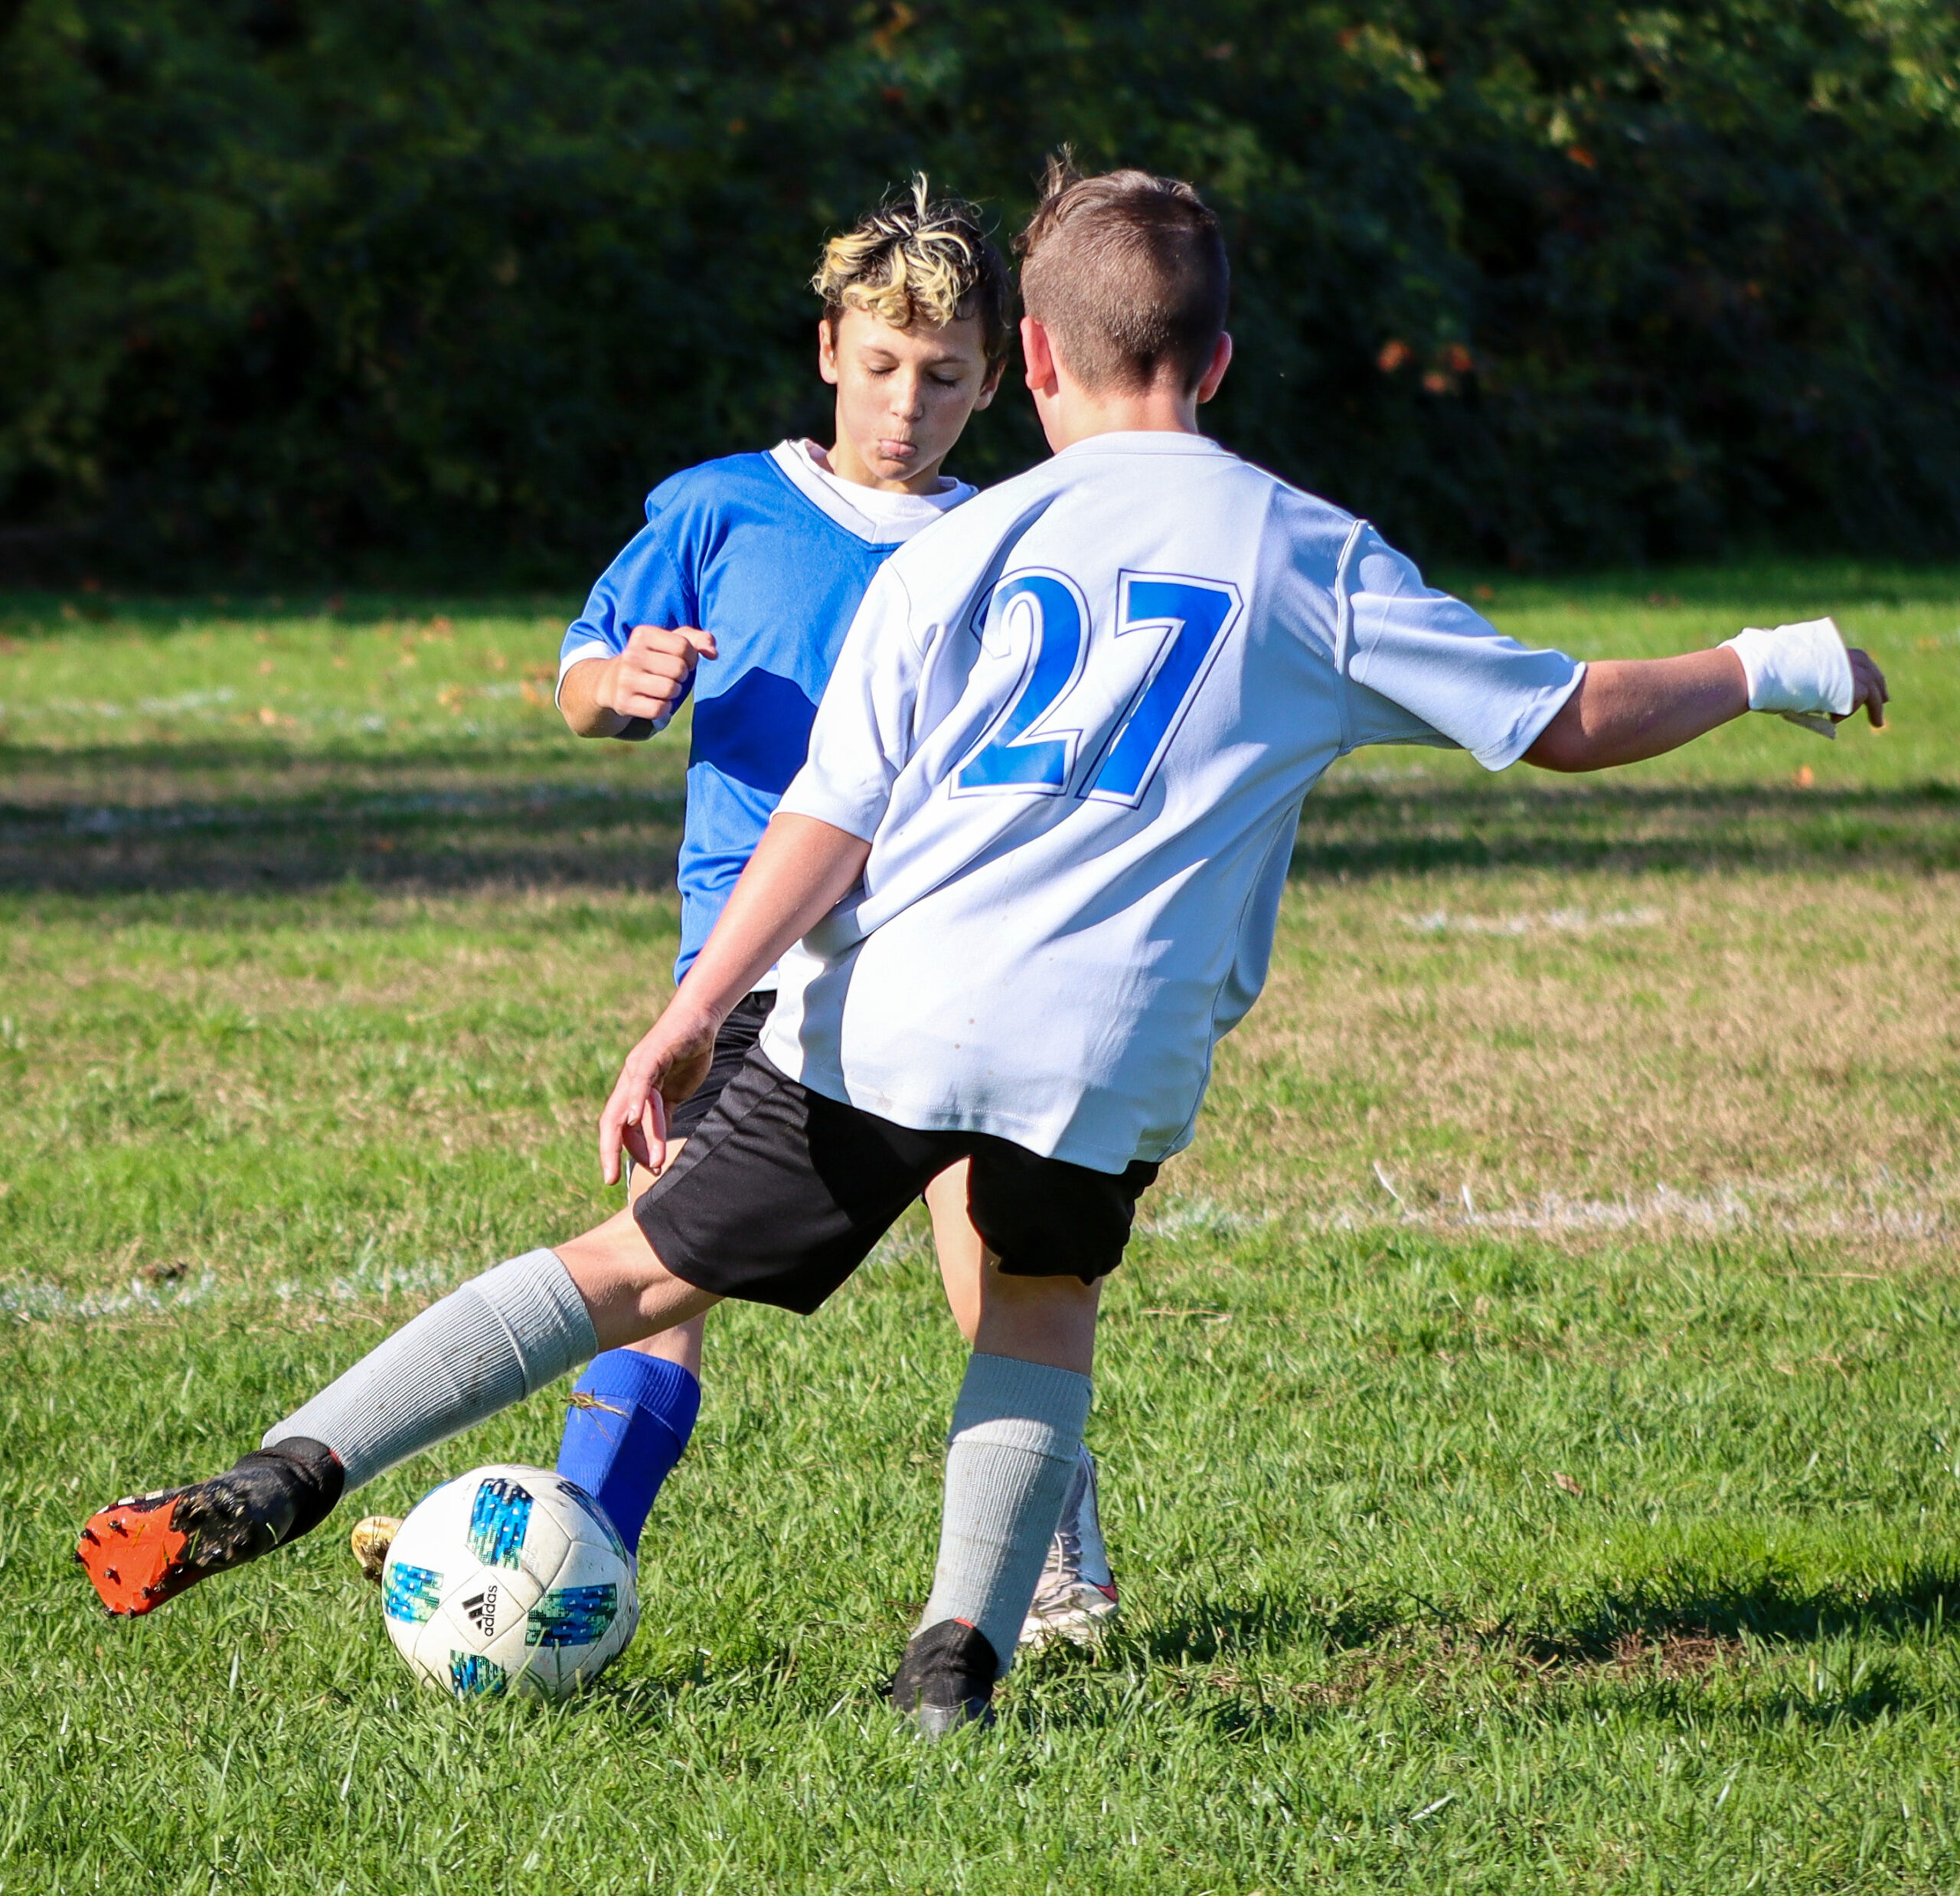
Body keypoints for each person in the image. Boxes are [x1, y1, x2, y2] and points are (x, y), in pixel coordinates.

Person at [77, 162, 1888, 1741]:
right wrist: (1771, 662)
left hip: (891, 1012)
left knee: (631, 1268)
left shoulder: (957, 548)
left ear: (1026, 358)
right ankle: (953, 1661)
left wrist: (689, 1011)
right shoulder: (1308, 552)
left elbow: (830, 819)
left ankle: (286, 1470)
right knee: (1033, 1302)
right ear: (1219, 362)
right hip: (1109, 1049)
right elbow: (1566, 718)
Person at [345, 179, 1124, 1648]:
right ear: (828, 349)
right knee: (659, 1269)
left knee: (994, 1263)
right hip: (750, 963)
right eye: (880, 365)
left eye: (944, 375)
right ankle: (567, 1563)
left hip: (946, 960)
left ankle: (1058, 1566)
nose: (906, 405)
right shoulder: (720, 507)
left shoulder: (1014, 537)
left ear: (995, 382)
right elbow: (582, 675)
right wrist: (618, 686)